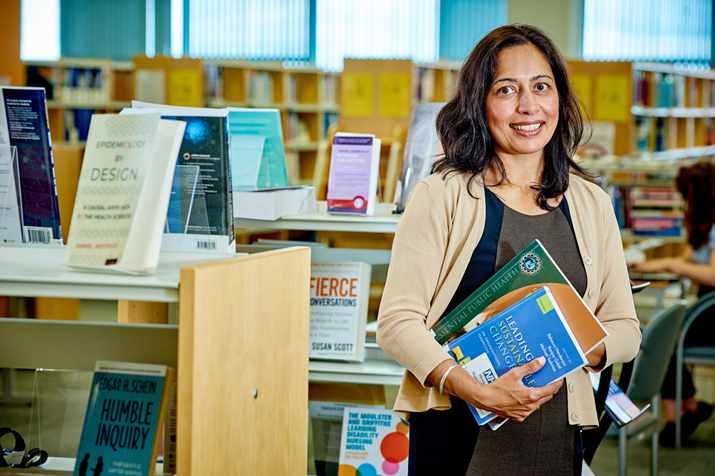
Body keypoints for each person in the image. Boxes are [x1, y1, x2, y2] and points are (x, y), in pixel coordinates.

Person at [376, 24, 641, 476]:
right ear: (479, 102)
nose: (528, 106)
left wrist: (564, 347)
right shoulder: (440, 196)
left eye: (542, 87)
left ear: (560, 98)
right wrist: (476, 389)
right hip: (456, 429)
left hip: (557, 432)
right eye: (506, 90)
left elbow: (625, 329)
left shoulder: (591, 202)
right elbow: (397, 323)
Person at [630, 161, 715, 446]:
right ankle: (686, 406)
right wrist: (647, 265)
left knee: (663, 339)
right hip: (706, 306)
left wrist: (668, 264)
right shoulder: (705, 222)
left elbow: (713, 274)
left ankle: (676, 414)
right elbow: (689, 261)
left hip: (710, 308)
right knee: (668, 334)